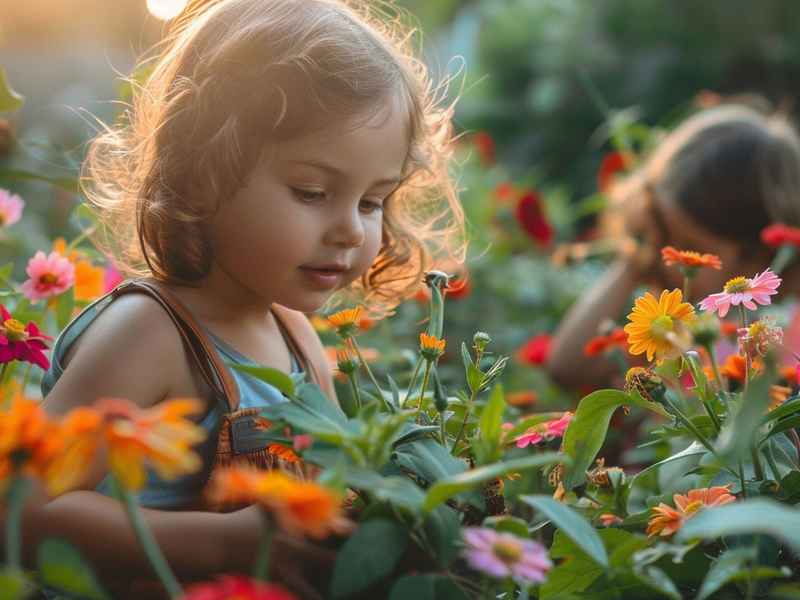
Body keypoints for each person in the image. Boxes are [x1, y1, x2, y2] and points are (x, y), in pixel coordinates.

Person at [8, 0, 463, 597]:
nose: (352, 229)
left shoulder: (294, 331)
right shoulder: (151, 333)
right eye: (312, 190)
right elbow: (21, 513)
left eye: (373, 201)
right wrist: (225, 543)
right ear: (202, 173)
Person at [546, 102, 800, 389]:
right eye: (663, 231)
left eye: (691, 246)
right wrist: (635, 261)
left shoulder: (784, 341)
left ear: (759, 256)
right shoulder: (673, 326)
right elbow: (566, 368)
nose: (672, 256)